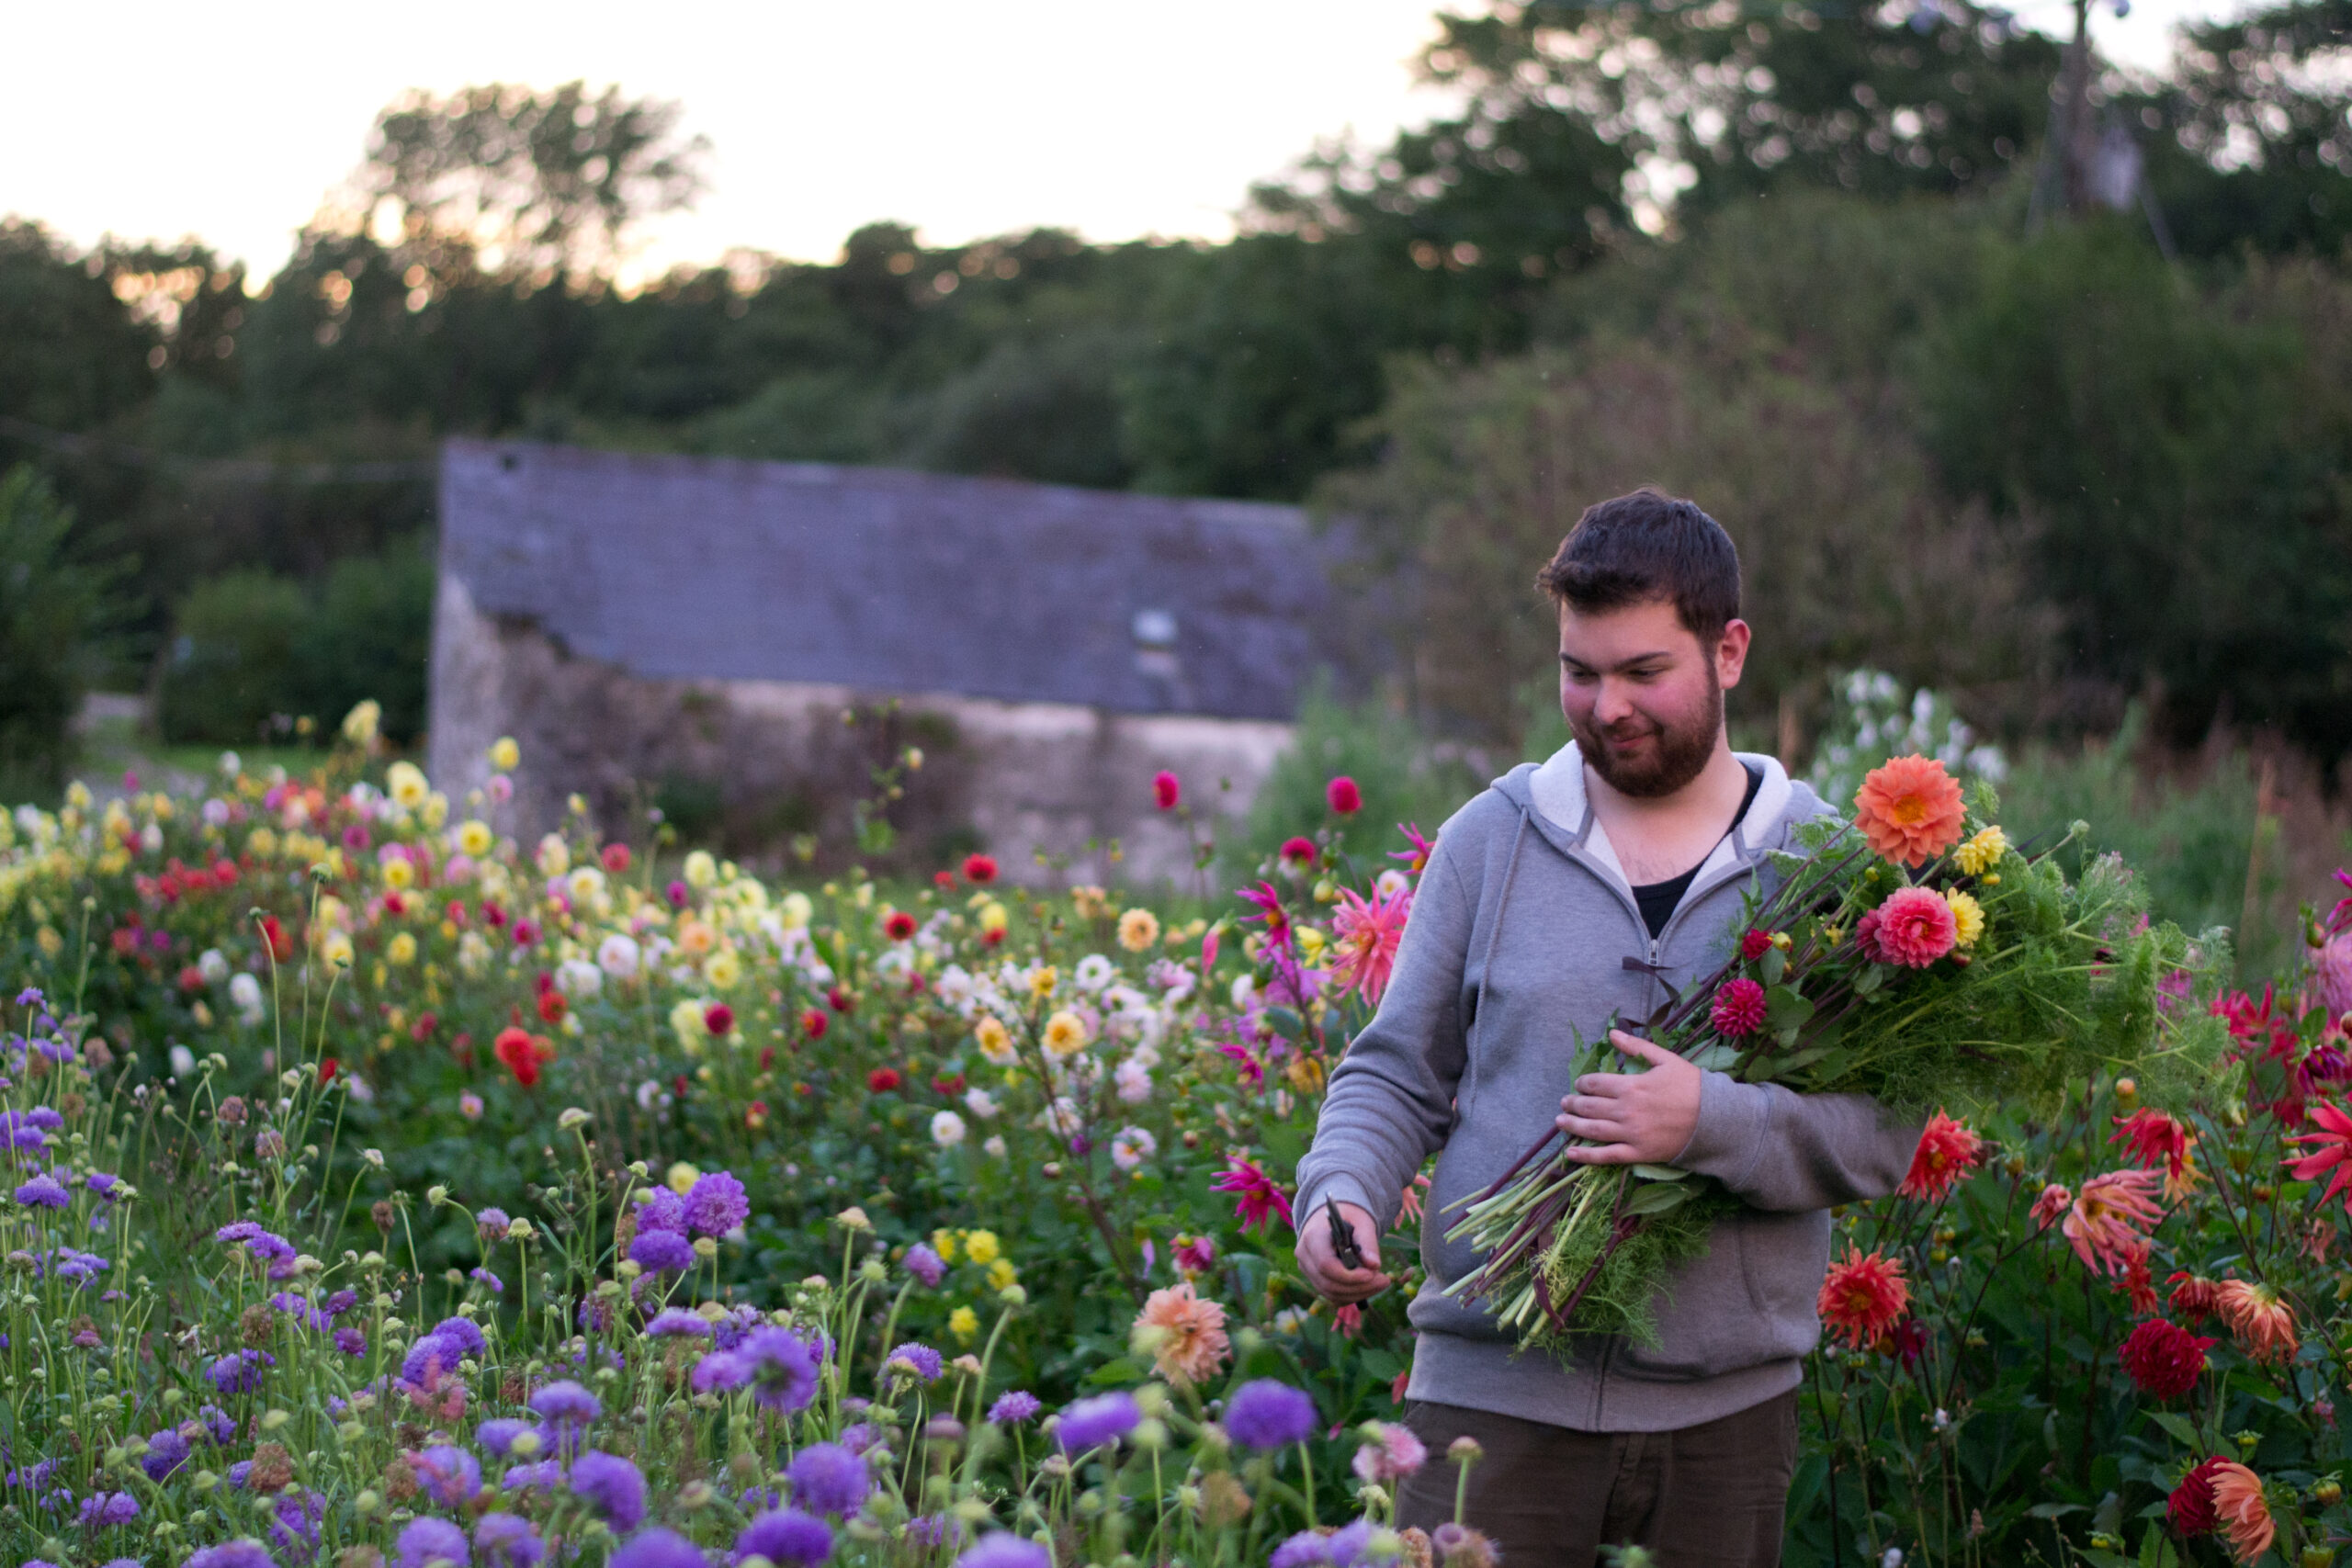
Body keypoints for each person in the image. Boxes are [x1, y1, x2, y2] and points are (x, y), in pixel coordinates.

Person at [1294, 488, 1921, 1568]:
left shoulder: (1828, 870)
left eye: (1642, 674)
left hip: (1722, 1430)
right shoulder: (1491, 841)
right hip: (1484, 1412)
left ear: (1728, 653)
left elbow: (1879, 1137)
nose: (1606, 707)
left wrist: (1707, 1123)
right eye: (1579, 673)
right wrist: (1339, 1187)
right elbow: (1396, 1073)